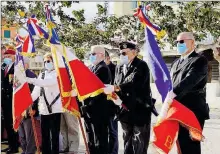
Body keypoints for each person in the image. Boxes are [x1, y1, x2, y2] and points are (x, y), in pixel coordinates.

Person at [170, 32, 210, 154]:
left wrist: (172, 93)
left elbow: (189, 81)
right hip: (177, 110)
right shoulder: (176, 62)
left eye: (182, 41)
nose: (178, 44)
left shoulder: (199, 60)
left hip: (193, 112)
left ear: (192, 43)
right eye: (177, 42)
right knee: (180, 146)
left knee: (191, 147)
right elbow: (171, 83)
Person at [114, 41, 153, 154]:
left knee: (139, 141)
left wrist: (117, 87)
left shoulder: (141, 65)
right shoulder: (119, 66)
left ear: (134, 52)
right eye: (121, 53)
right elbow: (116, 82)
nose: (122, 55)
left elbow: (134, 83)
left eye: (125, 53)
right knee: (127, 139)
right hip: (125, 109)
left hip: (140, 108)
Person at [26, 53, 63, 154]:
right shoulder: (42, 74)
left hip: (55, 108)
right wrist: (29, 100)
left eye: (48, 61)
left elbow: (46, 83)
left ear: (53, 62)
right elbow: (37, 91)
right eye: (45, 61)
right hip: (43, 108)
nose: (46, 63)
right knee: (45, 135)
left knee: (54, 135)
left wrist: (28, 80)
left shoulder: (57, 74)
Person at [82, 45, 112, 154]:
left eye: (94, 54)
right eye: (91, 54)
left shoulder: (102, 68)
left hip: (99, 109)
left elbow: (97, 90)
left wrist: (89, 105)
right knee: (90, 135)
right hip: (90, 108)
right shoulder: (91, 68)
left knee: (100, 137)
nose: (91, 56)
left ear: (102, 55)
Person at [18, 57, 40, 154]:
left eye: (22, 63)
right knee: (21, 133)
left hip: (28, 107)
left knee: (29, 133)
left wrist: (34, 108)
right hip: (19, 107)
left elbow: (36, 93)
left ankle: (29, 151)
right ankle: (24, 150)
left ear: (26, 64)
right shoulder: (17, 75)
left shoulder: (31, 75)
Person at [1, 47, 19, 153]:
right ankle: (11, 144)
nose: (6, 58)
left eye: (9, 56)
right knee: (8, 124)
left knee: (13, 124)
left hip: (12, 99)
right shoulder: (4, 67)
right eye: (5, 56)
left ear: (13, 56)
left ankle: (15, 147)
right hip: (4, 99)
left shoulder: (16, 67)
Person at [104, 50, 119, 154]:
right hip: (102, 105)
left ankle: (113, 152)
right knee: (104, 131)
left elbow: (117, 86)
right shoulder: (97, 68)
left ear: (108, 58)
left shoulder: (115, 69)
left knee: (112, 131)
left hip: (112, 104)